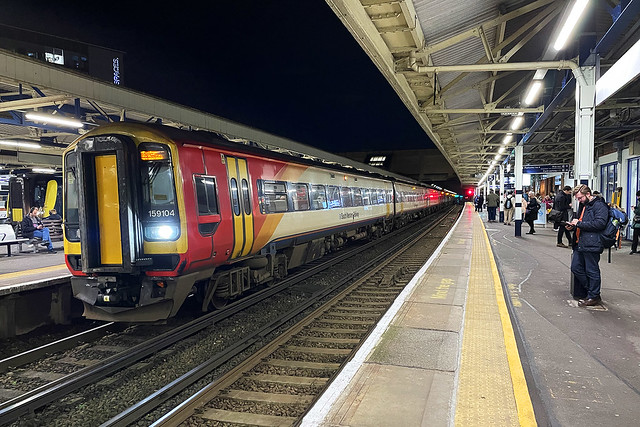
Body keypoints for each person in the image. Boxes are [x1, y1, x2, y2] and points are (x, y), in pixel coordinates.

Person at [565, 184, 609, 307]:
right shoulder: (584, 205)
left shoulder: (600, 206)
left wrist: (579, 223)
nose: (579, 201)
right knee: (576, 267)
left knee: (592, 270)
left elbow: (600, 224)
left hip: (593, 243)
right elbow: (582, 221)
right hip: (581, 242)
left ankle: (594, 296)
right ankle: (592, 292)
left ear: (588, 194)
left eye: (580, 198)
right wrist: (573, 225)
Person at [630, 190, 640, 255]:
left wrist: (634, 210)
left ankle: (634, 249)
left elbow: (638, 212)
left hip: (638, 223)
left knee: (635, 236)